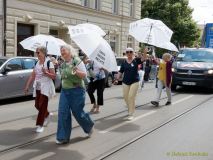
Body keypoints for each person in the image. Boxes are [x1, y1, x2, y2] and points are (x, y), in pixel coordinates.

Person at [56, 45, 94, 144]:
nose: (62, 52)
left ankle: (89, 126)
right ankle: (63, 137)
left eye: (63, 50)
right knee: (63, 113)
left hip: (77, 90)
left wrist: (76, 71)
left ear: (69, 51)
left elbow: (84, 75)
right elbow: (62, 76)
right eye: (61, 51)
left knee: (78, 113)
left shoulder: (77, 61)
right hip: (65, 91)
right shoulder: (63, 64)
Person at [24, 46, 56, 133]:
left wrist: (46, 72)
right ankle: (47, 114)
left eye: (38, 52)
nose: (37, 54)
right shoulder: (37, 63)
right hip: (38, 87)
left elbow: (54, 76)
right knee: (37, 105)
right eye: (36, 52)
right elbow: (32, 75)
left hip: (46, 87)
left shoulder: (49, 63)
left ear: (43, 53)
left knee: (42, 106)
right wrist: (27, 86)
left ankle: (40, 125)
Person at [114, 47, 143, 121]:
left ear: (133, 53)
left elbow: (143, 59)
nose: (129, 53)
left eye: (130, 52)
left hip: (135, 81)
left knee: (131, 97)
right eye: (127, 52)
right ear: (126, 53)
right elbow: (120, 71)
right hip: (125, 82)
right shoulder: (124, 62)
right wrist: (117, 79)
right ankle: (130, 108)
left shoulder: (136, 60)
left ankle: (131, 113)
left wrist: (145, 51)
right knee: (125, 97)